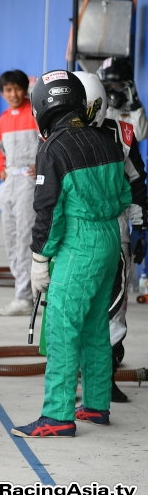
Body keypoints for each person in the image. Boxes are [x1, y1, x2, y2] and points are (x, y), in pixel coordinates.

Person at [11, 70, 130, 438]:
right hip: (110, 238)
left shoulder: (54, 148)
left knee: (62, 329)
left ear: (42, 107)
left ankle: (57, 415)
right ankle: (96, 405)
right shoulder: (107, 141)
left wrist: (39, 258)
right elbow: (124, 196)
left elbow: (48, 210)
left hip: (79, 244)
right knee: (95, 326)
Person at [74, 71, 148, 403]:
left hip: (113, 230)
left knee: (113, 308)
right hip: (73, 233)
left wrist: (140, 227)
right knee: (73, 306)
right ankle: (74, 377)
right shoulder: (56, 132)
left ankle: (104, 378)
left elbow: (137, 182)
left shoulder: (123, 133)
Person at [0, 70, 41, 316]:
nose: (13, 94)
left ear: (26, 89)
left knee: (24, 239)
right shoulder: (2, 120)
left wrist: (40, 166)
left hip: (28, 184)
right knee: (11, 238)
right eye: (8, 90)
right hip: (9, 182)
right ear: (2, 93)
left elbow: (50, 144)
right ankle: (24, 292)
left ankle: (25, 296)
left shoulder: (37, 114)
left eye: (18, 88)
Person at [98, 57, 148, 140]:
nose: (113, 89)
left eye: (117, 86)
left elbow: (140, 135)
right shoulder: (97, 105)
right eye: (109, 85)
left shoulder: (132, 108)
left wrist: (136, 107)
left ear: (127, 86)